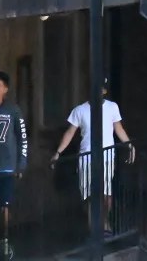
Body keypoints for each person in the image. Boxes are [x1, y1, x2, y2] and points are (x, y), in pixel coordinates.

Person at [50, 79, 135, 238]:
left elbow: (118, 128)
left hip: (107, 157)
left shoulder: (112, 107)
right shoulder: (80, 110)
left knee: (106, 195)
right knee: (89, 195)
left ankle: (103, 222)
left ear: (104, 91)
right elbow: (70, 133)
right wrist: (58, 152)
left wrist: (129, 145)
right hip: (87, 158)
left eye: (101, 89)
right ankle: (94, 228)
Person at [0, 73, 27, 261]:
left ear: (5, 89)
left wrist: (21, 163)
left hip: (7, 166)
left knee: (4, 206)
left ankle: (5, 239)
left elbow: (22, 138)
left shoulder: (13, 110)